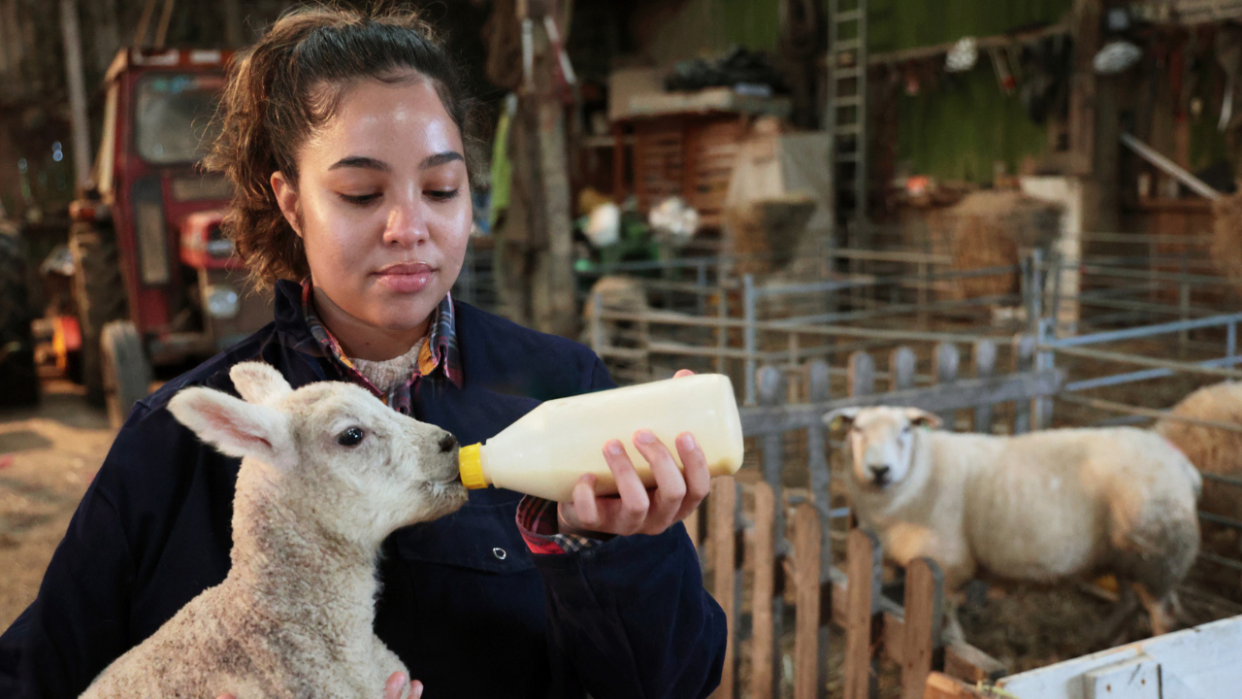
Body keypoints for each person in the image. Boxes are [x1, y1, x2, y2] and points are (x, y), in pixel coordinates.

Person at [0, 7, 726, 698]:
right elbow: (35, 674)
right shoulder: (174, 446)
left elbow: (671, 680)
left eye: (441, 187)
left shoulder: (561, 390)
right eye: (359, 193)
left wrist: (627, 547)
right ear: (291, 203)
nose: (410, 225)